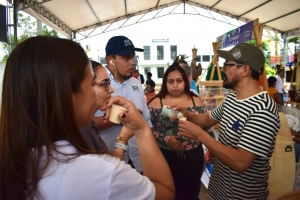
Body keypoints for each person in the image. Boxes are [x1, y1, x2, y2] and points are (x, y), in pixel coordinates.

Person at [0, 36, 174, 199]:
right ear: (66, 94)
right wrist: (140, 130)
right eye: (92, 84)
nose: (109, 91)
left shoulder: (14, 159)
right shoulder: (99, 172)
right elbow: (165, 193)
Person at [173, 43, 280, 199]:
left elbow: (240, 162)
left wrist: (200, 136)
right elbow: (208, 119)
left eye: (228, 64)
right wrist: (187, 114)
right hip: (219, 192)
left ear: (245, 70)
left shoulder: (262, 109)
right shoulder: (232, 98)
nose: (223, 69)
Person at [147, 62, 208, 200]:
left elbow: (206, 125)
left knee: (192, 192)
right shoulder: (156, 102)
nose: (175, 85)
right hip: (166, 156)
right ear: (164, 83)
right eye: (171, 81)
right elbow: (147, 130)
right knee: (170, 193)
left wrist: (210, 148)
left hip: (194, 157)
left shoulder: (195, 100)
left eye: (179, 81)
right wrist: (165, 139)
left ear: (185, 81)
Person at [93, 35, 152, 173]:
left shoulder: (136, 83)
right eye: (126, 58)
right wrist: (121, 116)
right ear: (110, 60)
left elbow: (147, 120)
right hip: (108, 162)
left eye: (133, 57)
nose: (132, 62)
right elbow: (85, 124)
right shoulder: (96, 83)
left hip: (139, 161)